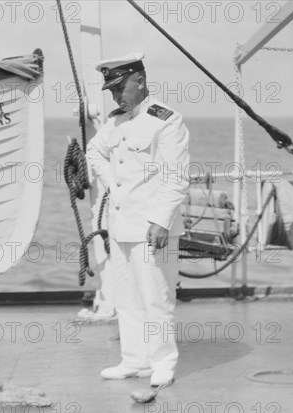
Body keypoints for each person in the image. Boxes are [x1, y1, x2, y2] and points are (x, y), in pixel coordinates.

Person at [86, 53, 190, 390]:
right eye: (112, 90)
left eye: (120, 87)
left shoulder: (166, 120)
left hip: (152, 227)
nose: (116, 96)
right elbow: (93, 152)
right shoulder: (116, 122)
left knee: (156, 298)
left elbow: (176, 177)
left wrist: (161, 221)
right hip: (121, 225)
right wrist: (111, 182)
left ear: (140, 81)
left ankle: (163, 362)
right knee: (127, 298)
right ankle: (135, 360)